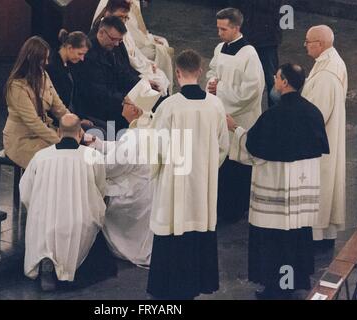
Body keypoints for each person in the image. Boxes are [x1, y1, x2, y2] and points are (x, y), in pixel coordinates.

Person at [227, 63, 329, 299]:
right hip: (301, 190)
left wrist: (235, 129)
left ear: (284, 82)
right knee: (296, 236)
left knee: (275, 242)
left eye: (276, 78)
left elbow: (252, 149)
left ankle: (276, 287)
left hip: (276, 193)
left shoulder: (273, 115)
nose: (274, 81)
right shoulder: (313, 113)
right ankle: (295, 281)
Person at [147, 49, 229, 300]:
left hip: (175, 182)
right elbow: (223, 144)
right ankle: (196, 285)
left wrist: (156, 171)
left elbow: (157, 147)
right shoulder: (215, 105)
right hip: (202, 184)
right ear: (201, 72)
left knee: (173, 228)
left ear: (177, 72)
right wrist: (205, 167)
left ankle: (168, 289)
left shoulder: (170, 106)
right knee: (198, 231)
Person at [20, 114, 114, 291]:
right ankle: (71, 266)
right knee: (91, 215)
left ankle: (46, 259)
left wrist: (38, 210)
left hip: (45, 223)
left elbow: (25, 192)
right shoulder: (92, 156)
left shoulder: (41, 157)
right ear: (80, 133)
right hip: (78, 223)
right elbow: (101, 190)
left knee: (42, 222)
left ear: (58, 132)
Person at [206, 7, 265, 223]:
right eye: (218, 28)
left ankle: (236, 209)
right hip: (222, 116)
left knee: (238, 163)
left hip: (241, 119)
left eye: (223, 29)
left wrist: (219, 90)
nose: (219, 33)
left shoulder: (249, 54)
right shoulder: (221, 48)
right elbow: (212, 72)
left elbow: (252, 91)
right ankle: (222, 207)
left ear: (236, 28)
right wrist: (212, 84)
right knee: (223, 161)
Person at [302, 25, 348, 250]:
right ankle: (323, 234)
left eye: (308, 41)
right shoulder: (332, 62)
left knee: (321, 187)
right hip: (328, 138)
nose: (305, 45)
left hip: (319, 143)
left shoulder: (327, 74)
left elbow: (315, 114)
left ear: (319, 44)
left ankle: (318, 237)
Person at [91, 103, 154, 267]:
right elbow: (120, 149)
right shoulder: (147, 128)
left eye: (125, 102)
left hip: (134, 195)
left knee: (93, 188)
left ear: (134, 109)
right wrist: (99, 144)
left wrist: (90, 157)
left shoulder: (133, 136)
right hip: (147, 190)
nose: (121, 104)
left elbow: (110, 167)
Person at [3, 36, 69, 169]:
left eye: (47, 58)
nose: (46, 62)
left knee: (71, 154)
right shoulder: (16, 86)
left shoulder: (43, 75)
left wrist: (75, 126)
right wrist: (59, 140)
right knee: (55, 160)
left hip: (43, 133)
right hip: (21, 139)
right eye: (42, 59)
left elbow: (59, 107)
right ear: (31, 59)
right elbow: (33, 122)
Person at [76, 15, 140, 133]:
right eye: (113, 39)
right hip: (96, 106)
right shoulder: (88, 54)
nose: (116, 44)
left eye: (119, 40)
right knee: (132, 118)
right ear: (101, 33)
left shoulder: (111, 45)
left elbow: (122, 73)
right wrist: (124, 99)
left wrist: (141, 84)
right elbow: (98, 92)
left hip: (113, 97)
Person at [92, 0, 170, 95]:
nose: (123, 21)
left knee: (159, 85)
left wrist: (142, 82)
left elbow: (123, 67)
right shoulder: (97, 44)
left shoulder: (116, 34)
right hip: (114, 94)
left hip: (124, 82)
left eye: (125, 18)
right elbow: (104, 87)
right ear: (108, 13)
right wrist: (127, 100)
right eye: (120, 17)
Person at [46, 29, 107, 133]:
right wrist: (78, 120)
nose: (82, 58)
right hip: (60, 118)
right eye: (80, 54)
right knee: (100, 132)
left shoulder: (72, 64)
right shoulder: (53, 67)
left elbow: (76, 96)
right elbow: (57, 104)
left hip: (74, 113)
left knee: (106, 126)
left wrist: (81, 117)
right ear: (70, 48)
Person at [230, 0, 282, 108]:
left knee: (271, 79)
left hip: (267, 41)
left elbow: (271, 5)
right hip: (246, 37)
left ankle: (276, 114)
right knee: (241, 76)